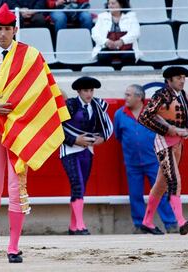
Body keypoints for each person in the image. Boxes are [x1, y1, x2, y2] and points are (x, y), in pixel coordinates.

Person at [0, 3, 70, 263]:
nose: (3, 33)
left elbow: (44, 90)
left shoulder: (31, 55)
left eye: (8, 29)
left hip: (21, 126)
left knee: (17, 187)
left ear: (15, 29)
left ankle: (14, 246)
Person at [138, 66, 188, 235]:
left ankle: (147, 222)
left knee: (161, 184)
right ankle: (181, 222)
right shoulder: (161, 95)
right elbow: (144, 117)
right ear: (169, 80)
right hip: (164, 143)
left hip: (179, 143)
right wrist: (166, 129)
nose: (182, 80)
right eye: (178, 77)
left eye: (183, 77)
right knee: (174, 180)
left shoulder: (184, 95)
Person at [114, 84, 178, 234]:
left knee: (160, 193)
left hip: (153, 160)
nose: (126, 98)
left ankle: (171, 224)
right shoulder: (119, 114)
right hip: (132, 162)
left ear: (139, 97)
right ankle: (140, 225)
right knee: (135, 194)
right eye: (126, 94)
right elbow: (118, 135)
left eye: (129, 95)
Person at [60, 76, 113, 235]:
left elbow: (105, 126)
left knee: (80, 187)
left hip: (87, 150)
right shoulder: (70, 105)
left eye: (91, 90)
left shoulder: (97, 105)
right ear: (78, 91)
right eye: (85, 90)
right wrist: (74, 139)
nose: (89, 94)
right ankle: (81, 225)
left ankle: (73, 226)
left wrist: (102, 138)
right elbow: (57, 127)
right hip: (69, 150)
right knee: (77, 184)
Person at [91, 0, 141, 68]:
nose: (110, 5)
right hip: (107, 47)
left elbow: (136, 32)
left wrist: (122, 41)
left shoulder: (131, 16)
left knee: (129, 56)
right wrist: (106, 42)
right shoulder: (102, 17)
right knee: (103, 56)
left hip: (125, 47)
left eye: (113, 3)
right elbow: (95, 33)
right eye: (109, 3)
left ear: (121, 5)